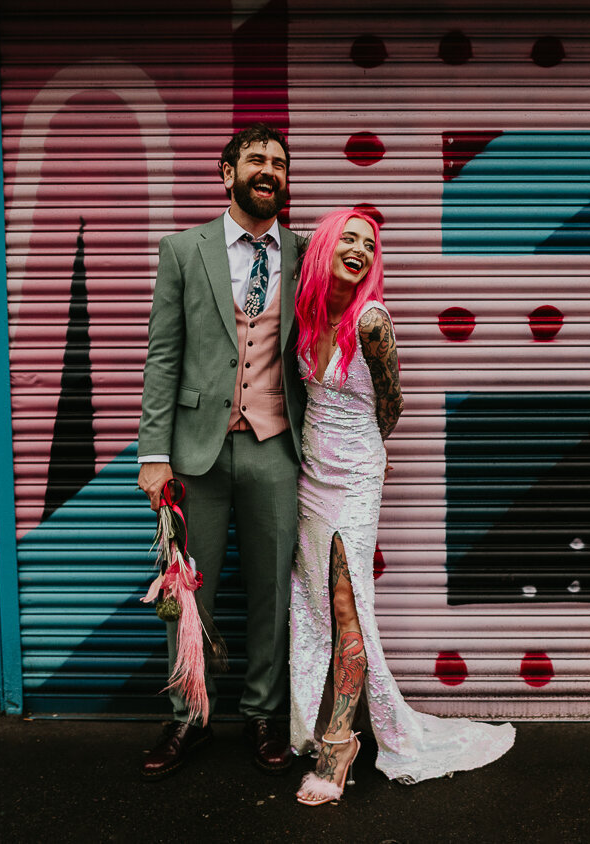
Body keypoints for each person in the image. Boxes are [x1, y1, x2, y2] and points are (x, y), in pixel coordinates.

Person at [289, 209, 515, 805]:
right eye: (350, 238)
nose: (361, 249)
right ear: (324, 246)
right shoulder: (308, 312)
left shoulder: (371, 321)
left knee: (347, 604)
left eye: (370, 243)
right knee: (314, 601)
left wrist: (359, 448)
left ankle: (340, 744)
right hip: (310, 477)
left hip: (355, 478)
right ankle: (314, 724)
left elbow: (392, 406)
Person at [135, 123, 306, 779]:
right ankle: (188, 717)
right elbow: (162, 356)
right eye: (257, 160)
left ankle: (264, 713)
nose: (270, 171)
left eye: (280, 164)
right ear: (226, 171)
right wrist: (154, 452)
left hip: (275, 447)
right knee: (187, 598)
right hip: (194, 453)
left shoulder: (306, 253)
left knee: (270, 593)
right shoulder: (184, 249)